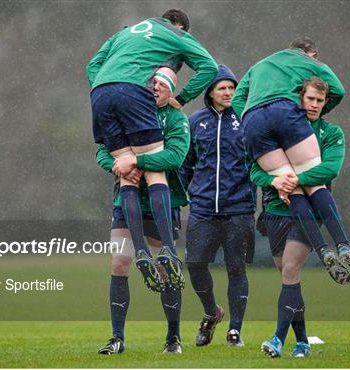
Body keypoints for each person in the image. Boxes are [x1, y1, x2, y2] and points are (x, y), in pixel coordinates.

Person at [87, 9, 218, 291]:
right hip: (133, 92)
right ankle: (167, 250)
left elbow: (92, 66)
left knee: (127, 173)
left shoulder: (125, 31)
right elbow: (209, 67)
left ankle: (142, 254)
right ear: (180, 26)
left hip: (99, 93)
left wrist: (107, 90)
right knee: (154, 172)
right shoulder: (177, 34)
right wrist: (181, 99)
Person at [232, 37, 350, 285]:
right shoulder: (308, 61)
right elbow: (337, 89)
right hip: (285, 113)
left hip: (252, 122)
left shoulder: (260, 64)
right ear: (312, 54)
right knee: (314, 183)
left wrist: (248, 116)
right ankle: (343, 245)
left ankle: (323, 251)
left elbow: (236, 99)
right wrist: (308, 116)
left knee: (292, 187)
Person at [250, 77, 350, 357]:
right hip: (276, 212)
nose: (314, 105)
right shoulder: (276, 128)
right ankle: (302, 342)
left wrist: (295, 179)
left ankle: (277, 339)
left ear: (326, 103)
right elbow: (254, 171)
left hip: (309, 213)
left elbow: (329, 170)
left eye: (319, 100)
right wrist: (274, 181)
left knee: (290, 269)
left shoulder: (330, 132)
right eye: (310, 98)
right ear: (300, 97)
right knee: (290, 279)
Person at [96, 68, 190, 354]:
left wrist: (134, 162)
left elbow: (175, 155)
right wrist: (116, 164)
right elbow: (102, 149)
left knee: (166, 267)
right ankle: (116, 339)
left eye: (162, 84)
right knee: (119, 262)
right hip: (125, 201)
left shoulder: (176, 119)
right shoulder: (126, 111)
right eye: (152, 82)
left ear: (171, 91)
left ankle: (173, 339)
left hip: (162, 202)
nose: (155, 87)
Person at [180, 65, 256, 347]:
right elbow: (185, 166)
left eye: (231, 88)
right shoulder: (195, 121)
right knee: (195, 265)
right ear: (210, 92)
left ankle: (235, 330)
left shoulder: (246, 120)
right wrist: (181, 199)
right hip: (202, 209)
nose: (228, 92)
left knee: (236, 268)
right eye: (222, 88)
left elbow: (259, 162)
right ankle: (211, 313)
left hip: (239, 208)